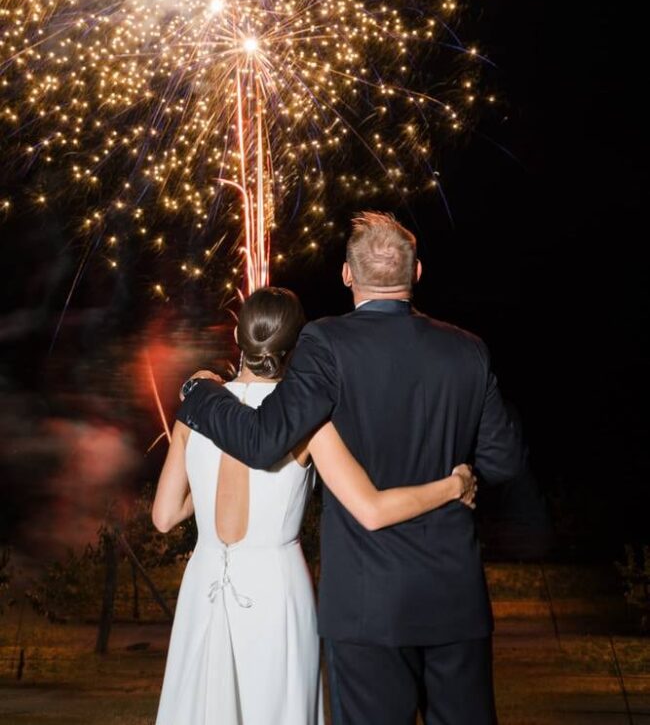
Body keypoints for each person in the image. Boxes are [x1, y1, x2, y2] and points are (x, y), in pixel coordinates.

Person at [178, 211, 525, 725]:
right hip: (454, 598)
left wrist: (198, 392)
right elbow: (503, 461)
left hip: (367, 607)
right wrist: (458, 478)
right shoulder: (467, 350)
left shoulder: (325, 345)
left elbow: (261, 440)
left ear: (347, 275)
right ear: (418, 272)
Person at [154, 285, 477, 725]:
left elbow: (165, 515)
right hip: (276, 587)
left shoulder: (194, 412)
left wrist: (204, 488)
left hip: (204, 582)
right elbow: (372, 509)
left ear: (238, 335)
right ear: (297, 346)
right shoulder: (308, 425)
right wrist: (453, 486)